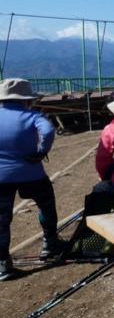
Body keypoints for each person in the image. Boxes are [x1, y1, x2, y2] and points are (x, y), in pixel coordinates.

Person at [0, 79, 68, 280]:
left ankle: (3, 264)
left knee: (1, 220)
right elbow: (48, 130)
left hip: (1, 177)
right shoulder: (32, 115)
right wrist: (40, 152)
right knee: (46, 204)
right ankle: (50, 243)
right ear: (26, 100)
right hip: (31, 172)